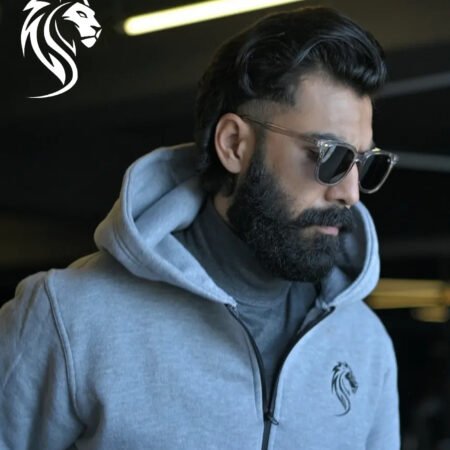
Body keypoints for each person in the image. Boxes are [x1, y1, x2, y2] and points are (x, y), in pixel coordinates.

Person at [0, 6, 400, 449]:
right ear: (234, 145)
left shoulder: (366, 343)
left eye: (364, 164)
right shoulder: (67, 316)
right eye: (330, 156)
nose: (351, 194)